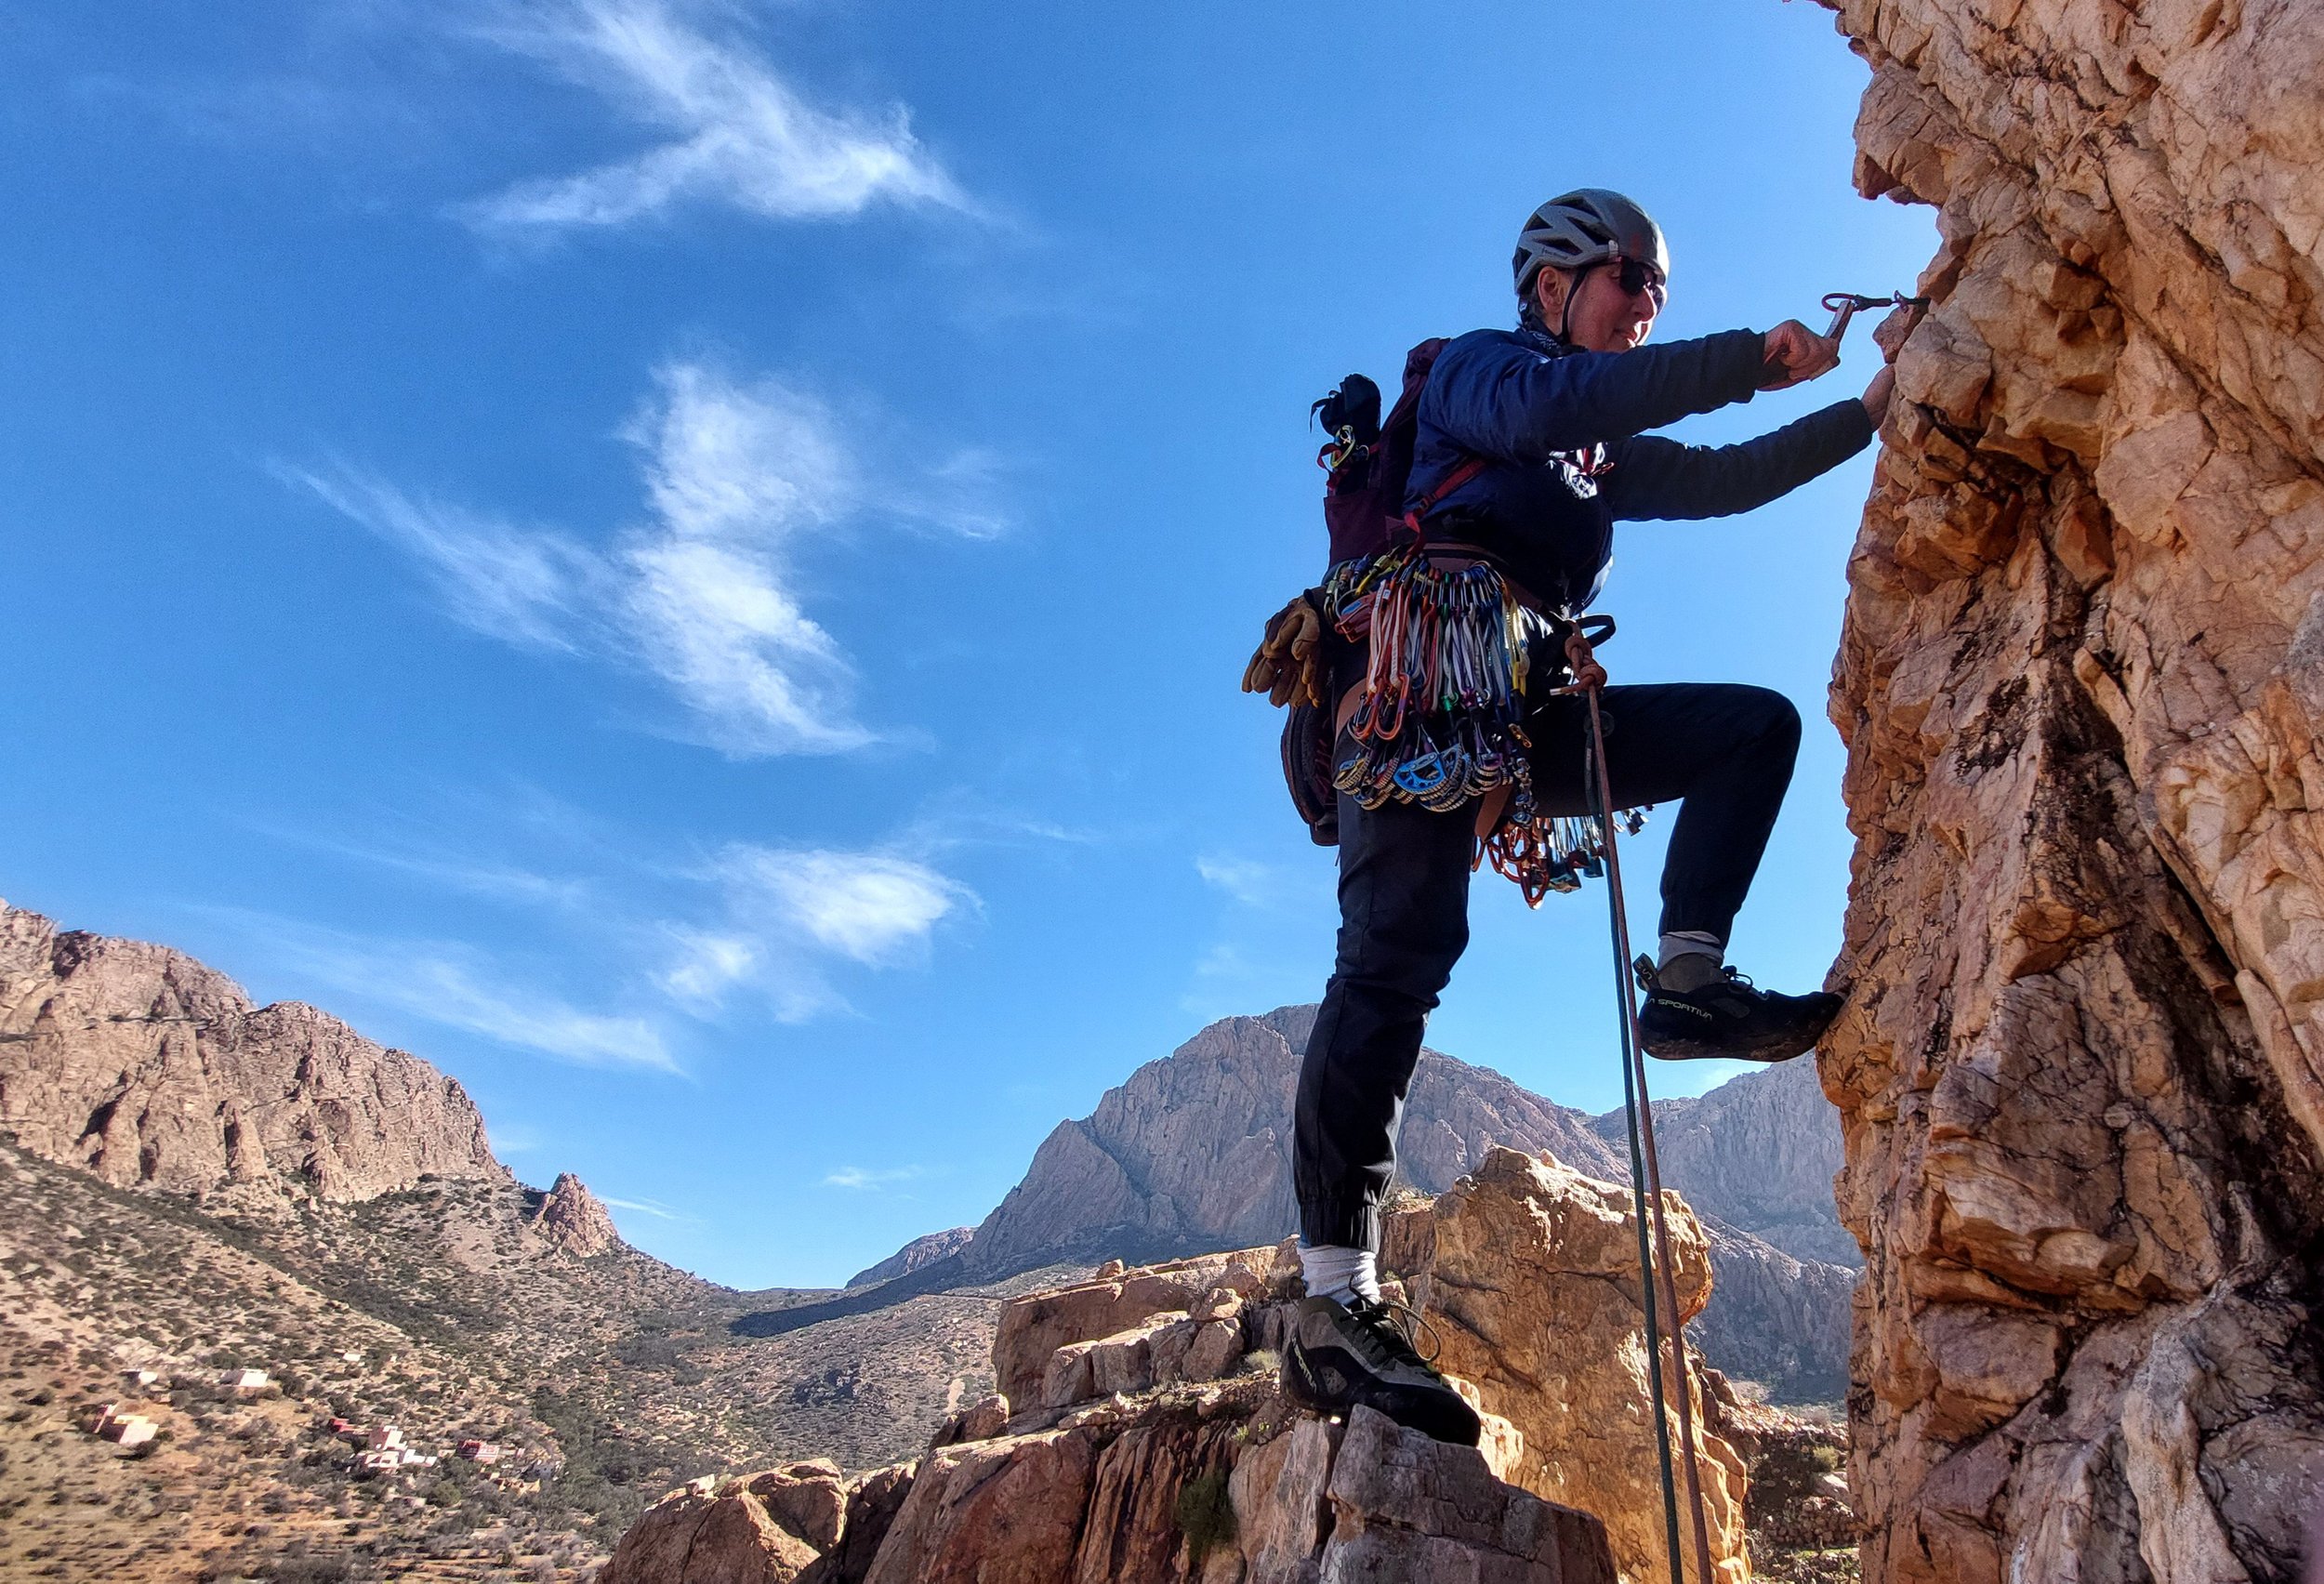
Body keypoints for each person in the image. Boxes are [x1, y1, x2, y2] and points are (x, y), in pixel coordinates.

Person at [1281, 190, 1900, 1445]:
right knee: (1398, 950)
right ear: (1557, 283)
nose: (1649, 307)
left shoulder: (1591, 454)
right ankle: (1332, 1303)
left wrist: (1871, 412)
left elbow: (1726, 479)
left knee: (1751, 729)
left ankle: (1689, 984)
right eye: (1634, 281)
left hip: (1512, 703)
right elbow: (1559, 404)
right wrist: (1754, 358)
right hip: (1414, 676)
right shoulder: (1480, 373)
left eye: (1661, 292)